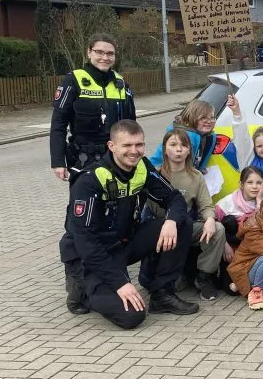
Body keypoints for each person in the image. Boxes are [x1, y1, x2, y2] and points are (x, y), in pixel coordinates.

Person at [60, 119, 198, 329]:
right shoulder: (90, 181)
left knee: (182, 223)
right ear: (112, 146)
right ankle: (81, 289)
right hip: (86, 256)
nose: (134, 151)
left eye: (139, 145)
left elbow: (175, 198)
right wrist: (120, 283)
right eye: (127, 145)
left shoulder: (142, 167)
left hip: (121, 244)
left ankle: (162, 295)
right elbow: (86, 242)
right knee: (132, 316)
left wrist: (170, 221)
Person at [50, 33, 136, 182]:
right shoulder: (73, 80)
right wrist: (58, 161)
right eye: (99, 52)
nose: (105, 57)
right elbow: (58, 124)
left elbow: (132, 125)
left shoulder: (121, 83)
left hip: (116, 158)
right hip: (84, 160)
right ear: (89, 52)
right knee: (86, 203)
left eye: (110, 53)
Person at [153, 127, 227, 301]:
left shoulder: (196, 176)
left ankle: (204, 277)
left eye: (183, 145)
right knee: (175, 286)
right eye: (173, 145)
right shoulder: (156, 175)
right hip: (160, 229)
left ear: (189, 150)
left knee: (217, 229)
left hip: (186, 227)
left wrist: (209, 219)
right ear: (165, 149)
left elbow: (206, 205)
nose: (178, 149)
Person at [149, 99, 222, 173]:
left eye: (212, 118)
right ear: (192, 117)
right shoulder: (184, 136)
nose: (209, 121)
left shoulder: (204, 136)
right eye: (203, 118)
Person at [216, 166, 263, 263]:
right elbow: (214, 225)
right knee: (230, 221)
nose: (255, 186)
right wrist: (225, 245)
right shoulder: (227, 202)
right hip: (227, 246)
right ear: (241, 185)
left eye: (259, 183)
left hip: (251, 247)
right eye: (250, 182)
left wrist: (259, 202)